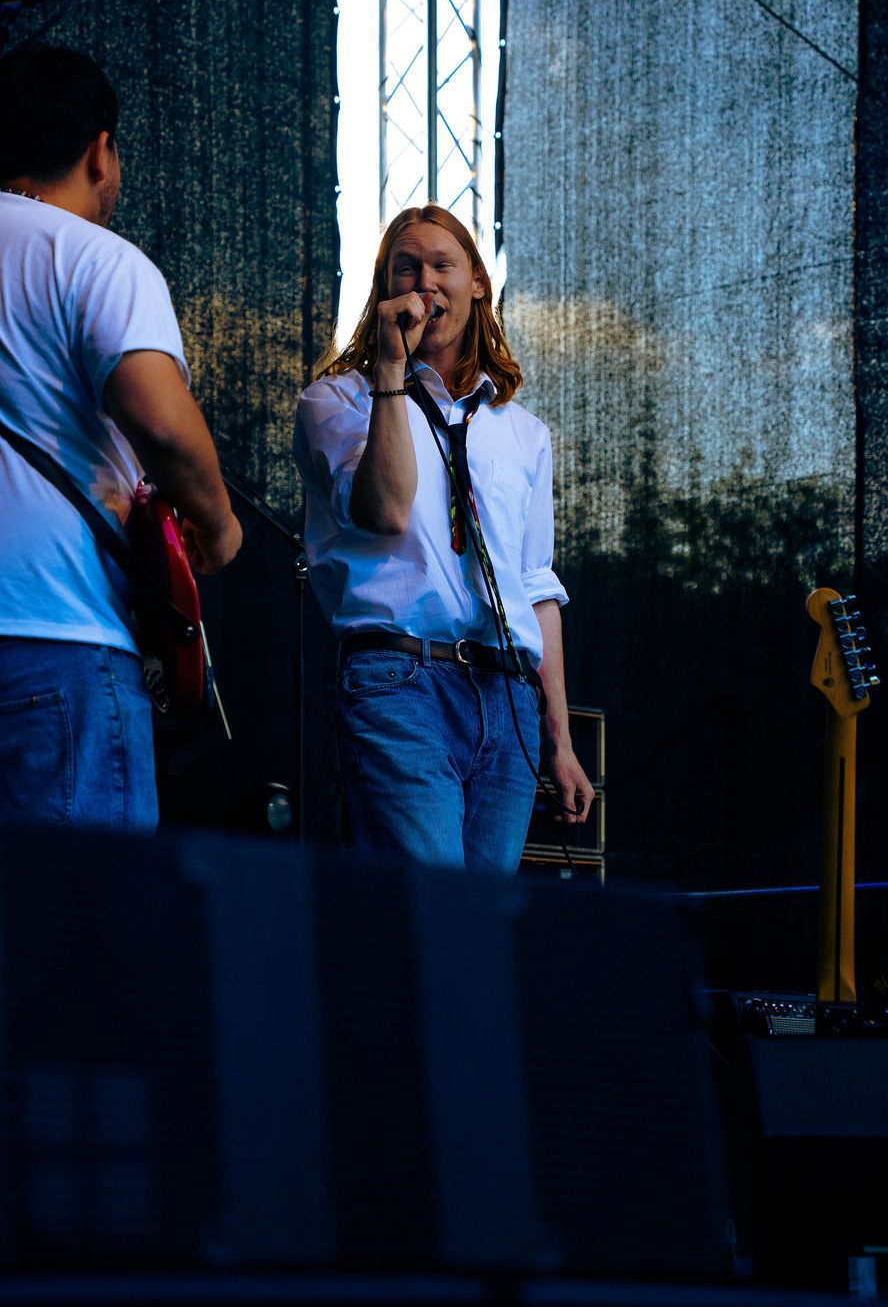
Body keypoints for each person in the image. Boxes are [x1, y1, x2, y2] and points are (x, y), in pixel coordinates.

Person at [294, 203, 593, 871]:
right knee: (429, 911)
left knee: (479, 922)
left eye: (442, 265)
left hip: (507, 696)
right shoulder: (336, 402)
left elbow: (536, 588)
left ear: (477, 282)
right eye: (406, 268)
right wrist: (390, 370)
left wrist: (561, 738)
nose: (425, 283)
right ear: (385, 288)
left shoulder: (524, 432)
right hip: (401, 682)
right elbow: (386, 510)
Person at [0, 43, 242, 829]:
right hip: (58, 640)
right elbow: (162, 423)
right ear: (100, 153)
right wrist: (219, 525)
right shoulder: (95, 259)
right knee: (82, 906)